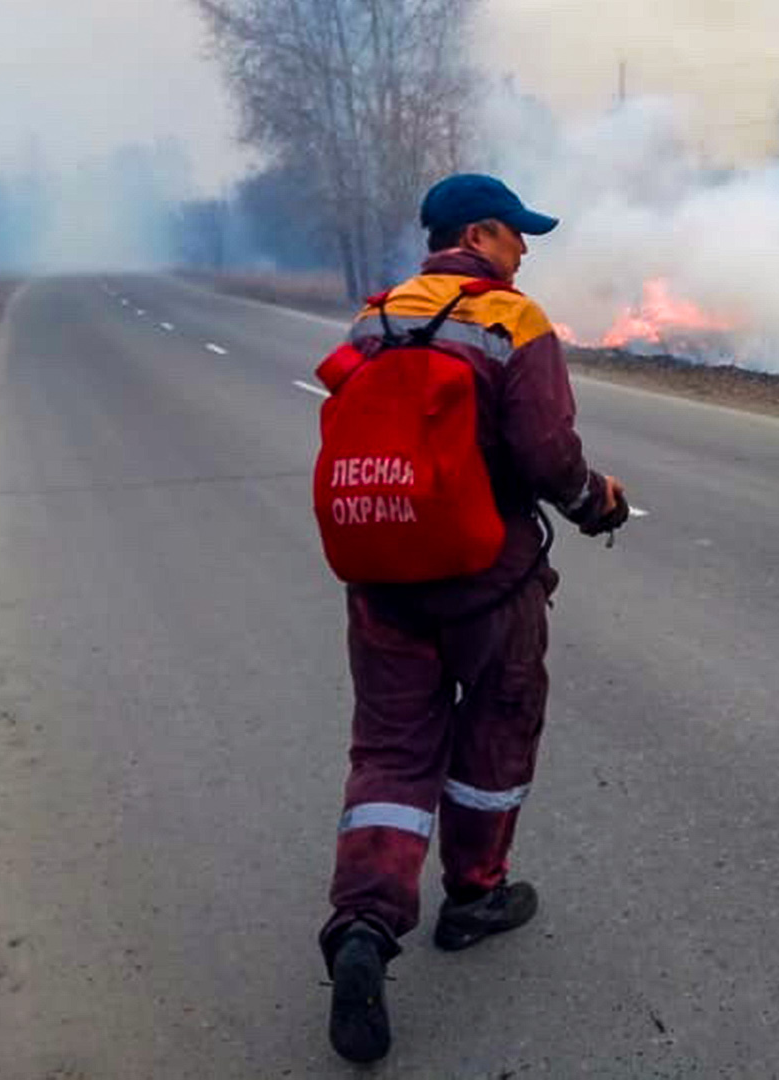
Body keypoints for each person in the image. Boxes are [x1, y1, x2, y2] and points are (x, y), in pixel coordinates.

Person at [319, 173, 629, 1064]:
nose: (525, 251)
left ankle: (364, 930)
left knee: (389, 754)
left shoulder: (372, 318)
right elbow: (546, 454)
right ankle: (474, 897)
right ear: (483, 233)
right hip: (488, 578)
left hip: (383, 576)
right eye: (518, 235)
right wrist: (597, 505)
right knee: (495, 730)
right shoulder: (514, 321)